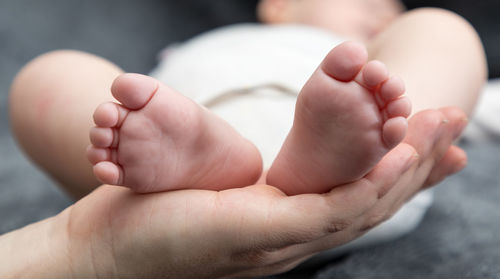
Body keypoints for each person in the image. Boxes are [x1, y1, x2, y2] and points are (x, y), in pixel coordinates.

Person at [1, 0, 486, 278]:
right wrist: (141, 123)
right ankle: (212, 161)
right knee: (48, 80)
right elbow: (132, 109)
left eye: (395, 13)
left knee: (443, 32)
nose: (386, 13)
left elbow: (472, 104)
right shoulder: (197, 53)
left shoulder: (381, 73)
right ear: (279, 6)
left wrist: (427, 69)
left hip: (375, 180)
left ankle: (364, 146)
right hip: (172, 165)